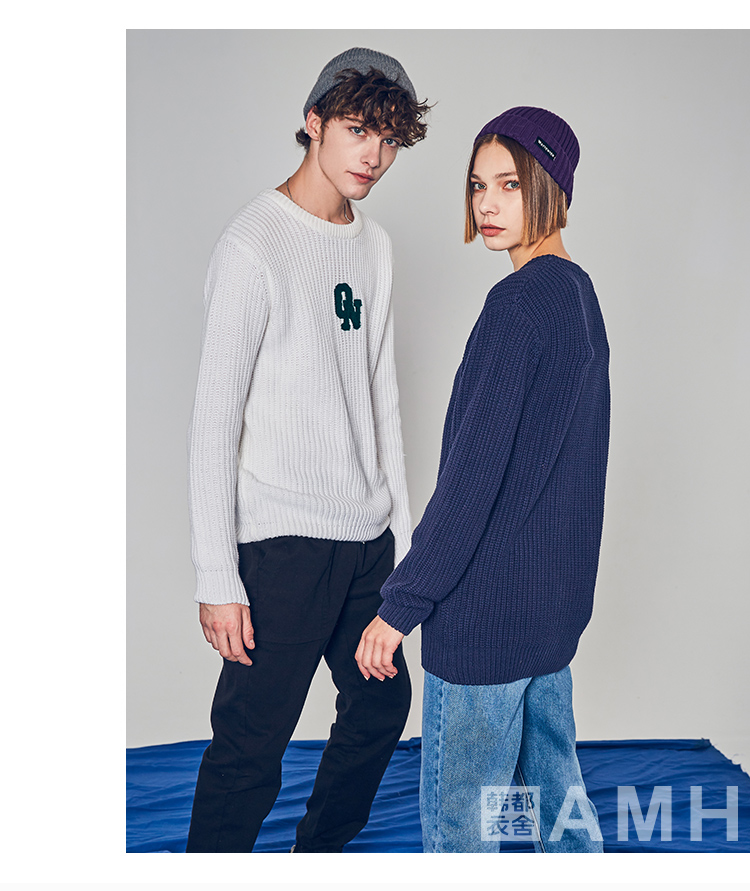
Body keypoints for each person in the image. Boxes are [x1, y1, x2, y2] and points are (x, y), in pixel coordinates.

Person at [185, 48, 430, 853]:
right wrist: (217, 576)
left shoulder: (375, 246)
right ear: (313, 122)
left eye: (389, 140)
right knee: (252, 743)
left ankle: (316, 855)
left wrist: (404, 546)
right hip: (283, 544)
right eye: (358, 130)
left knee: (381, 708)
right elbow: (214, 421)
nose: (374, 156)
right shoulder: (253, 244)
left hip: (367, 543)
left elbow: (382, 400)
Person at [356, 106, 610, 853]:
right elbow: (577, 475)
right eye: (477, 185)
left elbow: (472, 481)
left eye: (510, 184)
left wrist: (400, 604)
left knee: (464, 832)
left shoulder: (517, 307)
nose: (488, 204)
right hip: (550, 615)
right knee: (553, 809)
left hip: (487, 619)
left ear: (552, 189)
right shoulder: (579, 296)